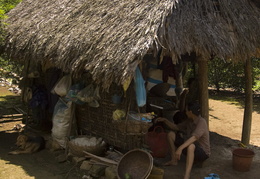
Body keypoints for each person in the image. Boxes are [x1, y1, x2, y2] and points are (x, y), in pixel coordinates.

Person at [156, 101, 210, 179]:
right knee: (171, 134)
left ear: (190, 112)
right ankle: (174, 160)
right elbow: (176, 127)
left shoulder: (202, 122)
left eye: (186, 110)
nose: (185, 112)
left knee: (191, 146)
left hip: (202, 152)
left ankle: (186, 175)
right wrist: (165, 120)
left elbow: (194, 138)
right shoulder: (189, 121)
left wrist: (180, 148)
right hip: (190, 147)